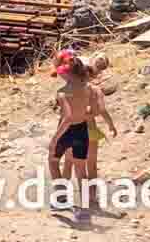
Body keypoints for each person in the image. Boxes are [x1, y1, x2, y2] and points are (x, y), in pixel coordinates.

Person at [48, 49, 93, 218]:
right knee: (81, 171)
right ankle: (86, 208)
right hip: (82, 130)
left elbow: (66, 117)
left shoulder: (62, 92)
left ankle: (61, 198)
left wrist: (55, 137)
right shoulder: (87, 87)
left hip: (67, 131)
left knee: (53, 160)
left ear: (65, 72)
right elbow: (90, 109)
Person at [62, 53, 116, 186]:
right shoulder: (96, 90)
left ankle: (62, 195)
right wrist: (111, 125)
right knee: (92, 165)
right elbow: (102, 110)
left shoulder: (67, 90)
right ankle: (91, 199)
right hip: (90, 131)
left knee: (70, 164)